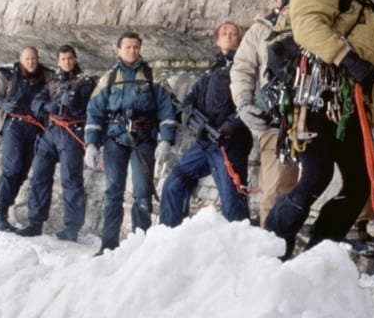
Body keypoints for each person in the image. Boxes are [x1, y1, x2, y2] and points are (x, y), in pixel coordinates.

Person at [264, 0, 374, 259]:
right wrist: (347, 59)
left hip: (350, 107)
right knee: (317, 176)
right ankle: (271, 245)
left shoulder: (370, 6)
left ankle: (319, 252)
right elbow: (308, 25)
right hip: (318, 98)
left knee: (359, 184)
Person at [84, 32, 177, 254]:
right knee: (113, 191)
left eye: (136, 47)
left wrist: (166, 140)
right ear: (119, 50)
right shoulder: (109, 78)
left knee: (143, 193)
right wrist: (91, 145)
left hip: (143, 139)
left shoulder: (153, 77)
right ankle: (108, 244)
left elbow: (167, 110)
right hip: (115, 139)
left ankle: (140, 246)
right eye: (127, 47)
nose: (132, 51)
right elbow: (94, 112)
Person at [159, 22, 253, 226]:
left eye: (233, 33)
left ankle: (241, 251)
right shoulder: (210, 73)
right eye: (224, 33)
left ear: (240, 39)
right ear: (217, 40)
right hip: (204, 144)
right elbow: (189, 102)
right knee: (173, 185)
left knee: (232, 203)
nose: (228, 36)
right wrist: (192, 121)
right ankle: (168, 236)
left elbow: (250, 101)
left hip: (230, 144)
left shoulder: (245, 67)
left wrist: (231, 125)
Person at [230, 0, 301, 226]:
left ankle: (353, 231)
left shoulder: (317, 20)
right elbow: (243, 68)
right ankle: (270, 245)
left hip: (316, 113)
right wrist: (244, 104)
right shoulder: (260, 30)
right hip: (277, 120)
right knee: (277, 188)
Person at [16, 45, 96, 242]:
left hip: (72, 131)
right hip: (50, 132)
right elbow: (36, 103)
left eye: (70, 58)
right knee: (39, 176)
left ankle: (72, 228)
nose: (67, 62)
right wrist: (48, 106)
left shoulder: (86, 82)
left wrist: (74, 104)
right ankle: (35, 222)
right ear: (58, 61)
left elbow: (92, 108)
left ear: (75, 59)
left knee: (71, 179)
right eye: (63, 59)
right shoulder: (52, 81)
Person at [0, 46, 53, 231]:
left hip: (35, 128)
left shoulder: (46, 76)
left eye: (34, 59)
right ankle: (0, 213)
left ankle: (4, 212)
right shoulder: (7, 75)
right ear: (21, 59)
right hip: (14, 125)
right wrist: (2, 103)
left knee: (22, 171)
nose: (31, 62)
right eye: (27, 59)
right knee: (11, 168)